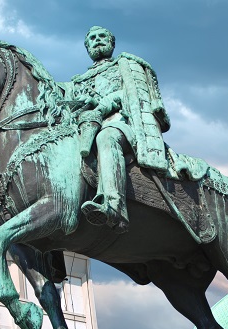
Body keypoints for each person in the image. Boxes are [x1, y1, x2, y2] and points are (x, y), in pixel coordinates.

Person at [70, 26, 171, 233]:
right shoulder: (78, 80)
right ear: (87, 46)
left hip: (122, 124)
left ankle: (113, 205)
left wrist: (101, 104)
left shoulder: (124, 66)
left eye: (101, 37)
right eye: (92, 39)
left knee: (107, 138)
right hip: (87, 127)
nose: (97, 40)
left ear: (112, 43)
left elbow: (130, 95)